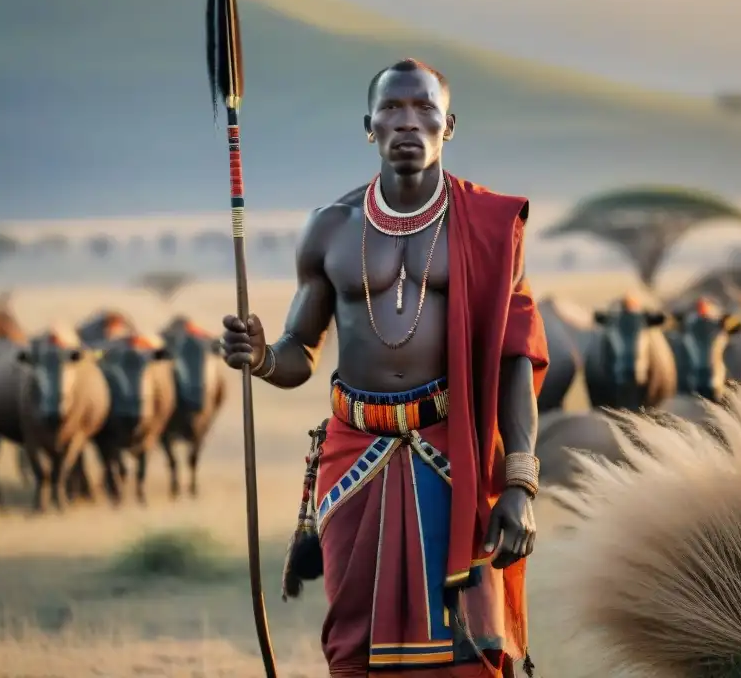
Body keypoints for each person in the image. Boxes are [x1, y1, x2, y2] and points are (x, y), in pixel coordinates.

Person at [221, 58, 549, 677]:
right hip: (355, 457)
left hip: (456, 454)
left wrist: (521, 484)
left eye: (424, 108)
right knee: (354, 649)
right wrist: (262, 357)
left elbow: (516, 359)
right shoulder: (330, 228)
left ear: (448, 125)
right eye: (391, 108)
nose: (407, 121)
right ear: (367, 126)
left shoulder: (491, 225)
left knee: (469, 651)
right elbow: (300, 352)